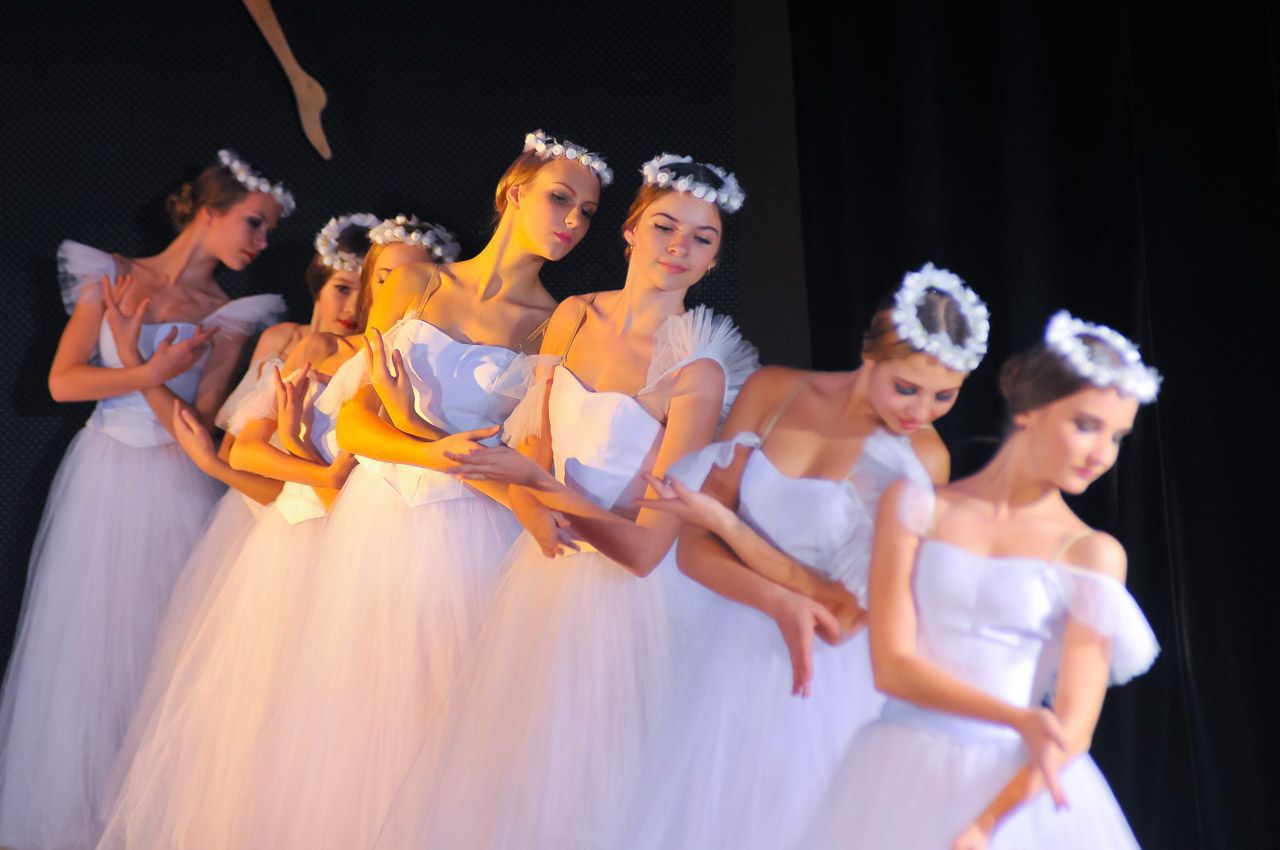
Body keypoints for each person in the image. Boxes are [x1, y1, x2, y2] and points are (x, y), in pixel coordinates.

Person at [237, 130, 610, 850]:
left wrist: (429, 438)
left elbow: (524, 456)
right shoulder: (416, 285)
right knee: (354, 720)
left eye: (588, 212)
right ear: (513, 192)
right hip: (378, 520)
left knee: (452, 728)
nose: (572, 220)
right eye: (560, 198)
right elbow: (355, 420)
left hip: (474, 533)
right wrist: (427, 445)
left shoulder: (556, 323)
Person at [375, 153, 758, 850]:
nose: (679, 247)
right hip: (542, 585)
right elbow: (533, 448)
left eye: (701, 239)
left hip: (628, 604)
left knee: (608, 795)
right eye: (665, 227)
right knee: (517, 789)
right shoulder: (573, 317)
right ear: (630, 232)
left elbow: (645, 551)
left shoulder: (696, 371)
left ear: (712, 262)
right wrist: (424, 432)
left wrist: (544, 492)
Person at [94, 213, 453, 850]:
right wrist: (306, 463)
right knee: (270, 719)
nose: (398, 290)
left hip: (372, 555)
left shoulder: (422, 368)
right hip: (297, 543)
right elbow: (254, 452)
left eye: (418, 278)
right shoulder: (320, 351)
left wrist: (315, 465)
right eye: (386, 277)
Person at [617, 263, 990, 850]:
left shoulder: (923, 460)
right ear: (870, 355)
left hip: (829, 677)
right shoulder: (775, 391)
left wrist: (729, 529)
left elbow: (849, 613)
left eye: (945, 396)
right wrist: (777, 601)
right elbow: (693, 548)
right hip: (729, 654)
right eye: (907, 388)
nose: (921, 412)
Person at [0, 149, 289, 849]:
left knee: (162, 641)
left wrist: (142, 366)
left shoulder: (225, 313)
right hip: (103, 471)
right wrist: (146, 368)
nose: (260, 243)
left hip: (172, 479)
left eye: (268, 232)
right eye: (253, 223)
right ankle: (72, 815)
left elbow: (200, 422)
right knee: (85, 639)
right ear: (210, 211)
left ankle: (143, 816)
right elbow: (63, 382)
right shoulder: (113, 277)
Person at [802, 310, 1161, 849]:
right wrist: (1019, 718)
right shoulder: (916, 505)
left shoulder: (1092, 554)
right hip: (898, 771)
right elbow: (891, 667)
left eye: (1117, 437)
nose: (1101, 455)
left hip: (1015, 795)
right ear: (1030, 409)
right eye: (1086, 426)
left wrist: (985, 825)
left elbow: (1073, 731)